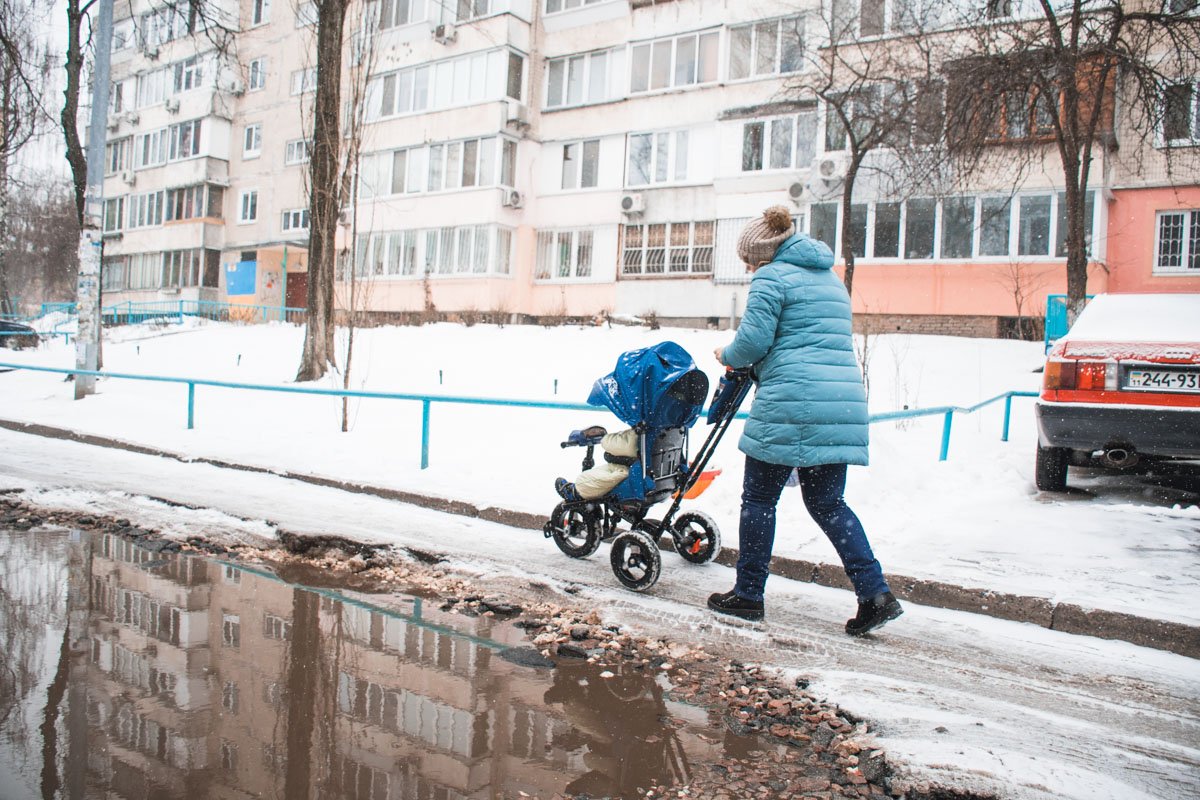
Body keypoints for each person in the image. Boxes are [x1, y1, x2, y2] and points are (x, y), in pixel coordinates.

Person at [707, 205, 902, 636]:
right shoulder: (829, 279)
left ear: (762, 254)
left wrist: (727, 354)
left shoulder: (771, 278)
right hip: (841, 403)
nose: (748, 268)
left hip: (792, 402)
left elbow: (754, 342)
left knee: (759, 499)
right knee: (829, 504)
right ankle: (875, 593)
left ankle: (748, 594)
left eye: (748, 261)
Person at [555, 427, 639, 501]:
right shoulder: (646, 437)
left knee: (583, 480)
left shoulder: (635, 439)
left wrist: (605, 440)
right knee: (609, 458)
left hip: (631, 474)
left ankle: (575, 492)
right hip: (638, 472)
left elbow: (627, 445)